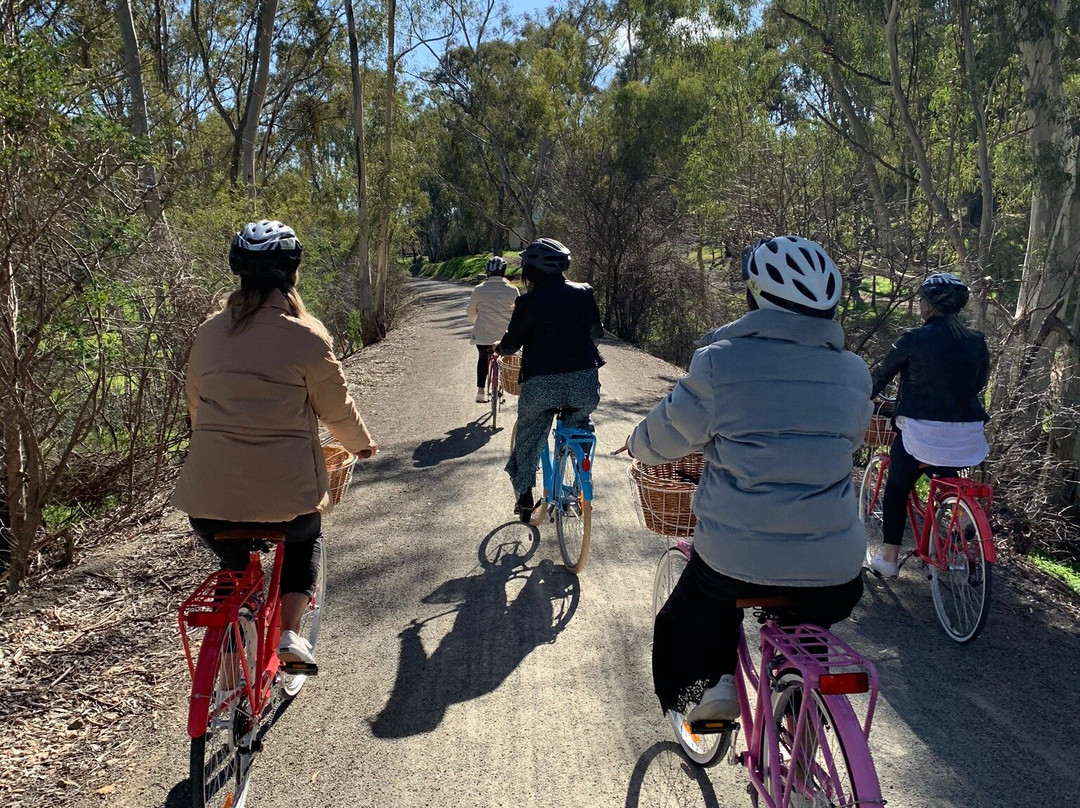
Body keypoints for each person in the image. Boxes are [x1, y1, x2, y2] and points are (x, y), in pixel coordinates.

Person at [626, 235, 870, 744]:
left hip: (738, 561)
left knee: (689, 614)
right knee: (811, 614)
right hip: (839, 569)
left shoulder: (721, 362)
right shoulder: (853, 372)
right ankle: (802, 713)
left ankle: (713, 692)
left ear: (755, 296)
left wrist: (636, 443)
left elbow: (663, 437)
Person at [171, 220, 377, 666]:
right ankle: (290, 635)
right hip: (288, 499)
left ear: (239, 274)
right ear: (293, 274)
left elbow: (196, 408)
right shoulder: (307, 335)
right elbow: (336, 408)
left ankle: (239, 605)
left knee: (233, 554)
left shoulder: (207, 333)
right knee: (307, 536)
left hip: (205, 501)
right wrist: (360, 444)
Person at [866, 272, 990, 577]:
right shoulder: (976, 341)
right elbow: (979, 382)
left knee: (896, 486)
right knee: (944, 472)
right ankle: (959, 516)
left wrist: (863, 395)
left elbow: (881, 375)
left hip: (921, 435)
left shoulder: (912, 338)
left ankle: (890, 558)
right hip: (967, 436)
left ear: (928, 305)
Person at [494, 238, 604, 522]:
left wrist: (500, 349)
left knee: (530, 435)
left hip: (540, 384)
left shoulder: (528, 302)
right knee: (579, 425)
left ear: (532, 270)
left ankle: (525, 495)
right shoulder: (584, 293)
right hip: (583, 383)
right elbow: (596, 332)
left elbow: (511, 343)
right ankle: (579, 478)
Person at [466, 255, 519, 403]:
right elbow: (519, 313)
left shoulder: (479, 289)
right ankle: (503, 384)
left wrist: (477, 321)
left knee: (483, 358)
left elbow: (471, 312)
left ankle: (480, 392)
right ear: (504, 271)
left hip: (483, 336)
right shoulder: (512, 290)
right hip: (505, 337)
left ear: (487, 271)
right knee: (505, 358)